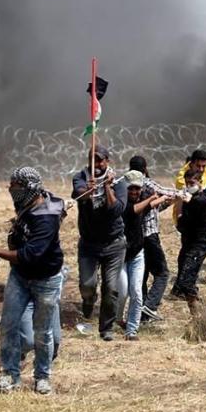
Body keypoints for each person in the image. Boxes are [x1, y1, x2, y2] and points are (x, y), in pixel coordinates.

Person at [0, 167, 65, 395]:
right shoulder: (28, 201)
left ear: (29, 188)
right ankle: (10, 374)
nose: (11, 190)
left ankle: (42, 377)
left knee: (43, 332)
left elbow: (29, 254)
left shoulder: (46, 217)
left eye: (15, 186)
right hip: (20, 276)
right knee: (8, 325)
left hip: (45, 280)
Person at [71, 144, 127, 340]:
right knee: (87, 284)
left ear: (107, 161)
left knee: (111, 288)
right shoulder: (80, 177)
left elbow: (116, 210)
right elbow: (79, 195)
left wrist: (106, 187)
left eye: (100, 160)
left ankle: (106, 328)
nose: (96, 164)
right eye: (92, 159)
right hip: (89, 244)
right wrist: (90, 188)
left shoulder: (119, 182)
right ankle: (88, 299)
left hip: (114, 244)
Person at [118, 171, 169, 341]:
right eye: (131, 188)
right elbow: (134, 210)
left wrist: (166, 198)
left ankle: (132, 330)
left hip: (137, 253)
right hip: (120, 255)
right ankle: (118, 318)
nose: (134, 192)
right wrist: (153, 197)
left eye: (137, 189)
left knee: (137, 292)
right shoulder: (121, 204)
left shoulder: (141, 200)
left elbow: (150, 206)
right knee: (123, 292)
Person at [128, 156, 179, 323]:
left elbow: (150, 210)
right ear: (145, 168)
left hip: (134, 238)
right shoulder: (146, 183)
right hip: (149, 236)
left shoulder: (127, 185)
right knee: (162, 274)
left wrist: (166, 203)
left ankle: (141, 314)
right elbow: (167, 192)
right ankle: (150, 306)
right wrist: (183, 194)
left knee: (141, 276)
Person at [170, 169, 206, 313]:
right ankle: (180, 292)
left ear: (200, 182)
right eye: (187, 183)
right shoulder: (192, 199)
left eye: (192, 183)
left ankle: (195, 311)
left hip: (198, 245)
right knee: (183, 270)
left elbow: (183, 223)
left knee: (187, 278)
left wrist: (184, 205)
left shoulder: (200, 200)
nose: (189, 186)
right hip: (189, 242)